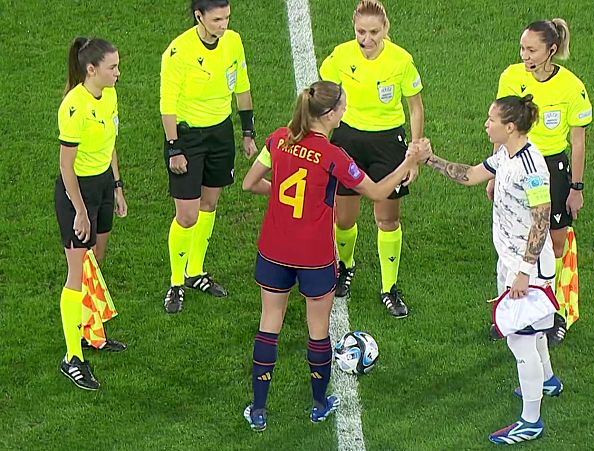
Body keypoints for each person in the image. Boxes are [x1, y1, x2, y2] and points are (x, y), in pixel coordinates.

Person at [240, 80, 429, 431]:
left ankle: (260, 409)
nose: (345, 111)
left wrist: (281, 195)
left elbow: (249, 183)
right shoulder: (333, 156)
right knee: (318, 330)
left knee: (270, 324)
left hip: (274, 249)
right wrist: (409, 161)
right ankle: (318, 404)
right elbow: (377, 192)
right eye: (342, 107)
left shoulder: (278, 138)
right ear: (328, 114)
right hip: (314, 256)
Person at [423, 95, 562, 444]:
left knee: (520, 341)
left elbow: (542, 219)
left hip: (527, 268)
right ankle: (547, 380)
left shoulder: (531, 167)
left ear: (510, 127)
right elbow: (471, 175)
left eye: (491, 120)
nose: (486, 125)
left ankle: (531, 421)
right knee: (533, 332)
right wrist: (430, 160)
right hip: (512, 260)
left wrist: (524, 272)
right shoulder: (505, 154)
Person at [319, 0, 425, 318]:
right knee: (344, 218)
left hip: (388, 144)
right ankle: (345, 266)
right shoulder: (340, 56)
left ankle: (389, 287)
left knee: (388, 219)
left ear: (386, 28)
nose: (367, 39)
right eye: (361, 32)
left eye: (374, 32)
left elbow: (415, 107)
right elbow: (323, 97)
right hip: (348, 140)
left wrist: (414, 153)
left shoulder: (401, 60)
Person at [492, 18, 593, 342]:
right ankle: (510, 311)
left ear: (552, 50)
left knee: (556, 243)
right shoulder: (511, 77)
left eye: (532, 50)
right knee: (513, 237)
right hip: (516, 165)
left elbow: (578, 141)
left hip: (552, 167)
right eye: (522, 49)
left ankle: (553, 311)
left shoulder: (571, 87)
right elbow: (501, 126)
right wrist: (495, 172)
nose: (525, 56)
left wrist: (576, 187)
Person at [160, 0, 258, 313]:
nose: (223, 24)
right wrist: (174, 147)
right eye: (217, 19)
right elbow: (167, 105)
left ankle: (195, 271)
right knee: (187, 215)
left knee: (209, 204)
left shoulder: (233, 42)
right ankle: (176, 282)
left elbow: (242, 88)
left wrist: (247, 132)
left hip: (220, 134)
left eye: (226, 17)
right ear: (199, 16)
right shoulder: (178, 51)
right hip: (188, 138)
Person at [56, 37, 128, 390]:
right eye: (112, 67)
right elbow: (66, 167)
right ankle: (72, 358)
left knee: (95, 261)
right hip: (77, 193)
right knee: (76, 273)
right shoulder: (74, 107)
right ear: (91, 69)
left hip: (101, 186)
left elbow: (110, 143)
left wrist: (117, 187)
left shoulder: (109, 95)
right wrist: (81, 211)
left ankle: (87, 331)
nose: (118, 73)